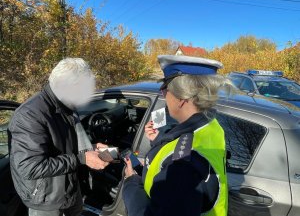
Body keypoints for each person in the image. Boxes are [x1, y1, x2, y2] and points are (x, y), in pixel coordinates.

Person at [122, 55, 230, 216]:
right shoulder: (212, 126)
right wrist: (159, 140)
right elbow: (187, 146)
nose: (162, 93)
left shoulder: (182, 169)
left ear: (181, 97)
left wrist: (131, 182)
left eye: (165, 87)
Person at [8, 58, 109, 216]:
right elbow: (30, 167)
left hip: (70, 187)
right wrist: (82, 159)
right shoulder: (29, 115)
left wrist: (91, 149)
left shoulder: (66, 105)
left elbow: (66, 144)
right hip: (46, 199)